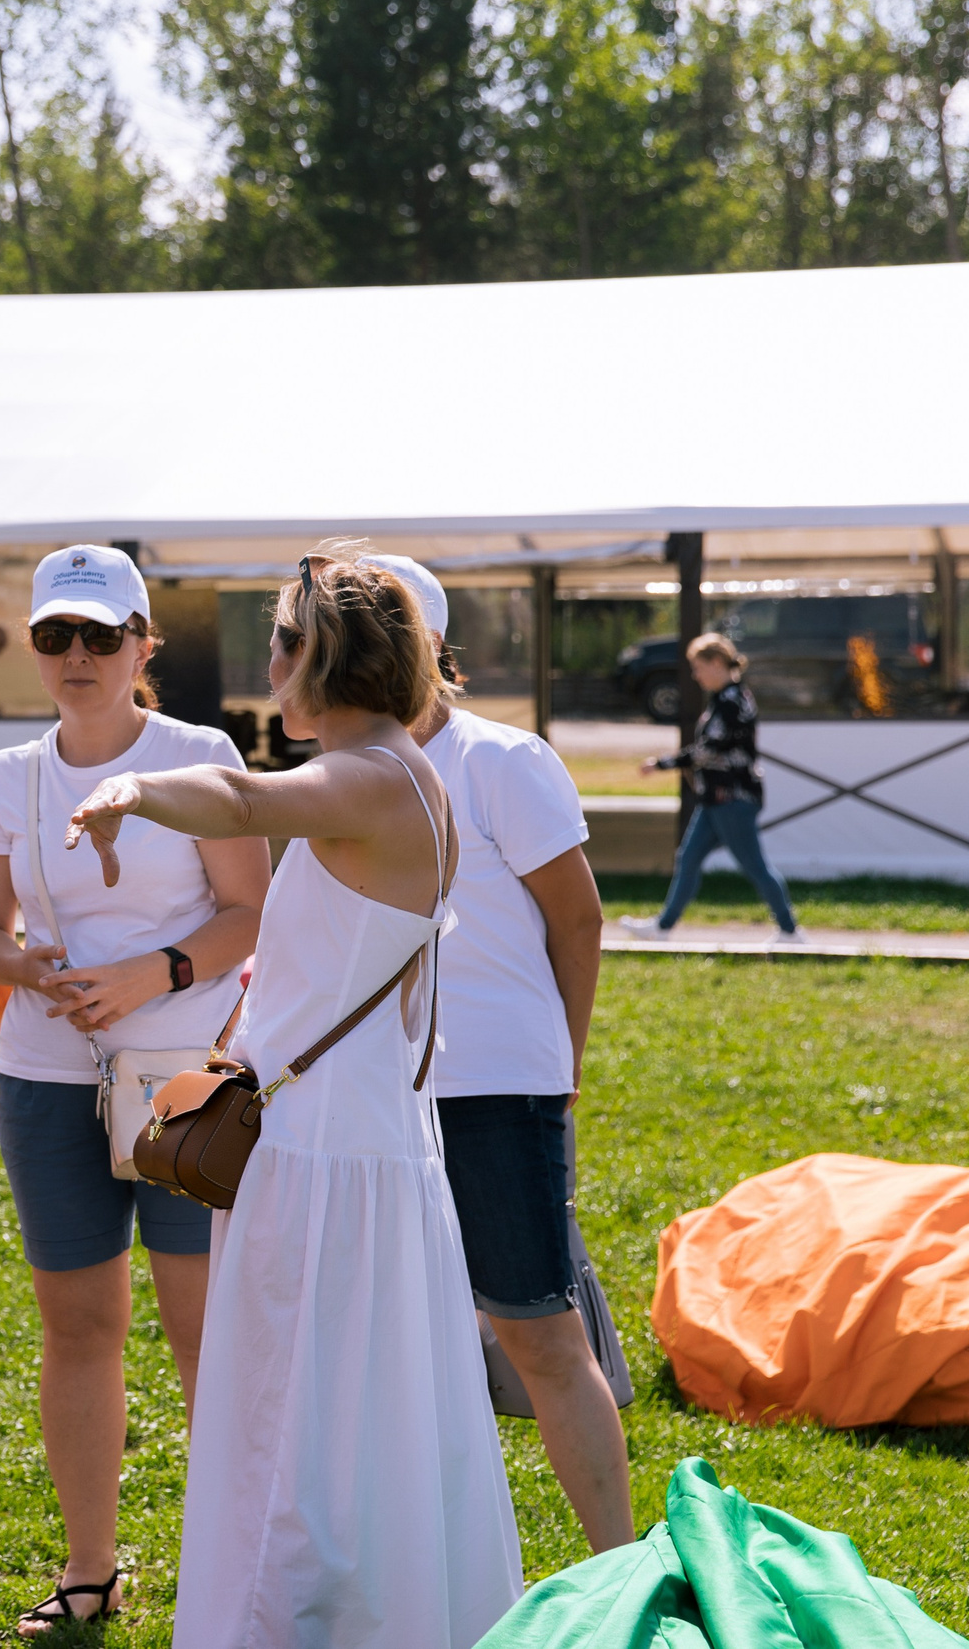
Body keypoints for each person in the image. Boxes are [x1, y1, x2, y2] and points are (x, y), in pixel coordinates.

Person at [66, 554, 522, 1648]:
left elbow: (240, 799)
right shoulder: (398, 771)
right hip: (346, 1143)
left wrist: (129, 787)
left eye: (278, 641)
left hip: (327, 1160)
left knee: (298, 1423)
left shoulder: (374, 776)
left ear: (322, 655)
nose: (267, 665)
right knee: (353, 1421)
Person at [0, 544, 270, 1636]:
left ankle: (242, 1566)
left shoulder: (198, 754)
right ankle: (90, 1571)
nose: (76, 655)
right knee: (78, 1325)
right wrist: (27, 968)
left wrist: (153, 972)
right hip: (47, 1077)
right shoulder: (8, 775)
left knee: (202, 1328)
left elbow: (249, 913)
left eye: (100, 635)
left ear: (144, 644)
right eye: (55, 635)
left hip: (183, 1079)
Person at [371, 554, 632, 1553]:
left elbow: (578, 920)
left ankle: (619, 1566)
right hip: (381, 1099)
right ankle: (435, 1570)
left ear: (428, 649)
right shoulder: (342, 771)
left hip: (494, 1092)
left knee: (541, 1334)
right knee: (407, 1351)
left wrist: (558, 1069)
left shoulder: (502, 760)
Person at [618, 632, 806, 943]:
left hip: (732, 799)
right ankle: (663, 927)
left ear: (717, 663)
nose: (695, 675)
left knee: (755, 866)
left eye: (698, 667)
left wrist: (664, 763)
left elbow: (710, 748)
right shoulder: (724, 698)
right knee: (688, 858)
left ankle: (790, 931)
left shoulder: (732, 701)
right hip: (715, 800)